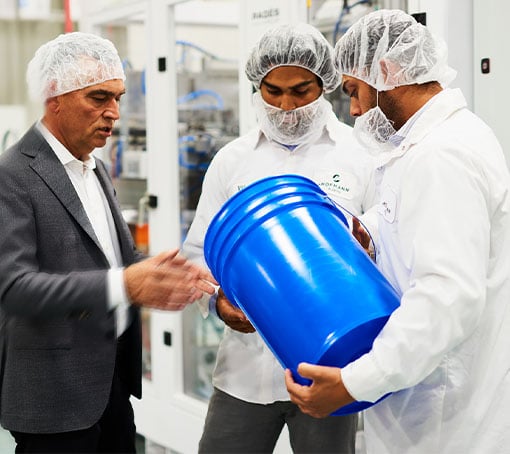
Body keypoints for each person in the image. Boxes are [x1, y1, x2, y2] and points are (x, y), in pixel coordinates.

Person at [285, 9, 510, 453]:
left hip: (446, 420)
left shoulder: (441, 155)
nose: (353, 110)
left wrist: (356, 381)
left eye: (354, 91)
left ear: (386, 71)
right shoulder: (420, 146)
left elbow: (448, 294)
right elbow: (410, 233)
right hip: (421, 404)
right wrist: (364, 232)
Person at [0, 32, 216, 453]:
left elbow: (114, 258)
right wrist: (125, 286)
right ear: (53, 98)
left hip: (111, 385)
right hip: (55, 397)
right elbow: (13, 288)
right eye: (98, 98)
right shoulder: (13, 175)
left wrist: (170, 274)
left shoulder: (93, 167)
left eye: (117, 97)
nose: (113, 113)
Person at [183, 23, 376, 453]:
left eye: (301, 90)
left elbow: (388, 249)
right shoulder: (232, 161)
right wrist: (217, 301)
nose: (287, 105)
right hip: (244, 373)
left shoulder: (362, 155)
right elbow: (196, 254)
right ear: (257, 86)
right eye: (273, 91)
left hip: (332, 368)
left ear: (324, 84)